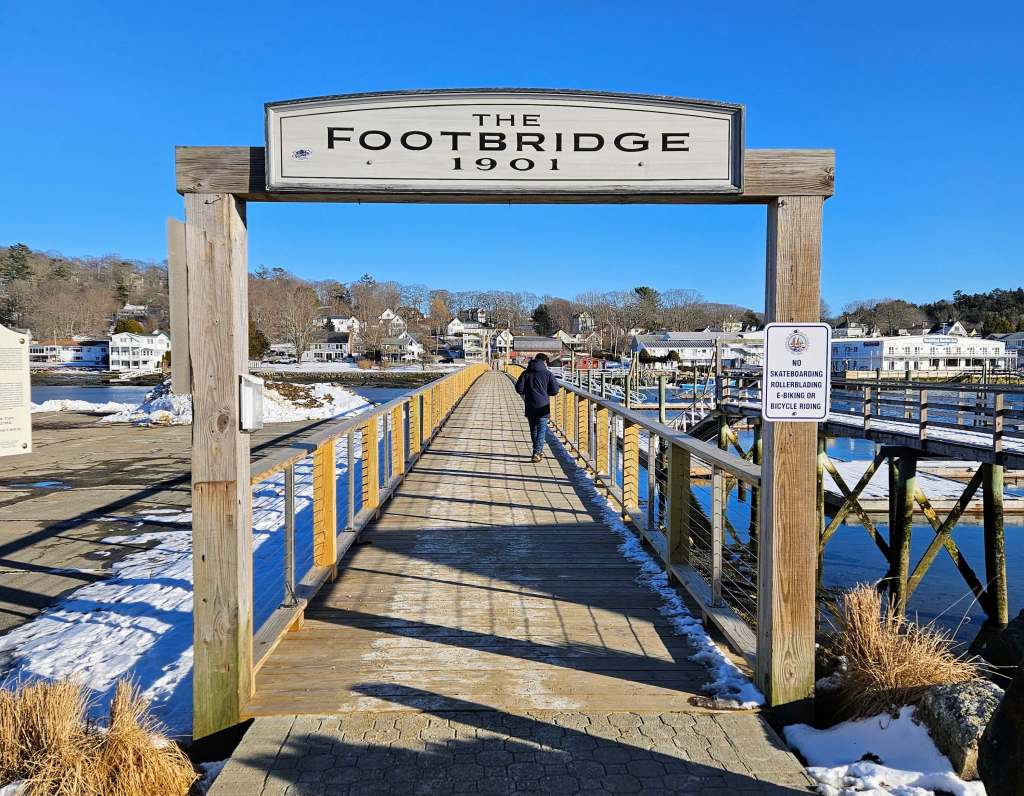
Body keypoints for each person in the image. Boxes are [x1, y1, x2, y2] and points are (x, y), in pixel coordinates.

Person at [515, 353, 560, 462]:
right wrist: (545, 392)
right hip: (543, 407)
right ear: (544, 362)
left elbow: (519, 389)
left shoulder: (525, 373)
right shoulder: (548, 374)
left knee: (534, 430)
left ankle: (537, 451)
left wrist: (528, 391)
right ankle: (537, 452)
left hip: (530, 405)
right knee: (541, 430)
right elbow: (554, 391)